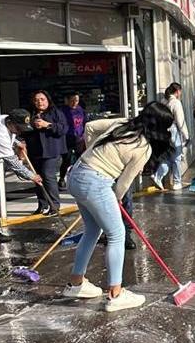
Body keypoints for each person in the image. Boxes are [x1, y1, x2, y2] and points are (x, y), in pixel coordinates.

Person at [63, 102, 173, 312]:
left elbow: (90, 127)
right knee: (117, 234)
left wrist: (93, 152)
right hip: (96, 182)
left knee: (92, 230)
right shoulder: (143, 148)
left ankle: (76, 283)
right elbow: (123, 184)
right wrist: (117, 198)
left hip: (76, 174)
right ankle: (116, 293)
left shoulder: (122, 124)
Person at [0, 109, 43, 240]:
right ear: (10, 122)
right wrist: (31, 176)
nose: (20, 132)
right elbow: (13, 163)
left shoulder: (4, 119)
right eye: (18, 128)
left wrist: (17, 143)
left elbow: (11, 136)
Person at [25, 90, 68, 215]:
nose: (40, 102)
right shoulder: (30, 114)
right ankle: (42, 205)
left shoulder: (56, 113)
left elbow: (63, 129)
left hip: (51, 151)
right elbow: (23, 130)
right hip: (35, 151)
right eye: (36, 100)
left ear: (48, 100)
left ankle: (54, 205)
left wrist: (47, 125)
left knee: (48, 176)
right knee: (37, 178)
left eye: (42, 99)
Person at [153, 82, 190, 191]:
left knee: (168, 157)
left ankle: (157, 175)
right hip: (173, 131)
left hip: (163, 132)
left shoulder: (163, 102)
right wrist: (186, 135)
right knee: (176, 158)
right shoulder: (176, 103)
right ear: (177, 91)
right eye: (180, 91)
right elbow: (180, 121)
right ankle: (177, 182)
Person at [58, 92, 86, 189]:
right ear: (67, 101)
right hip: (67, 138)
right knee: (67, 159)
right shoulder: (62, 111)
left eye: (76, 100)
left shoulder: (80, 110)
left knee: (80, 160)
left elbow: (84, 123)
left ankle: (79, 179)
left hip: (79, 138)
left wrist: (83, 135)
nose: (74, 103)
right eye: (72, 101)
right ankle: (62, 178)